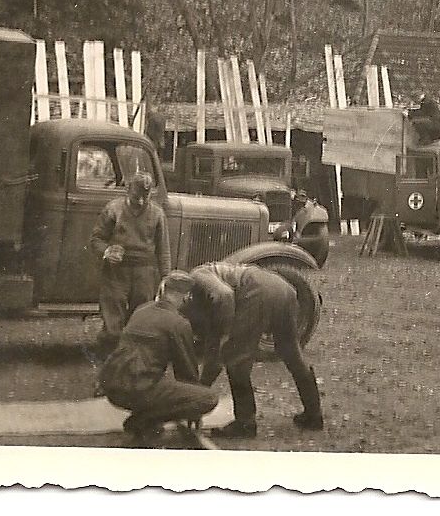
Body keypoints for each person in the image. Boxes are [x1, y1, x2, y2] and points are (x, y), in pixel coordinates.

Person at [185, 261, 323, 439]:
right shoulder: (206, 292)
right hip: (283, 288)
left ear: (185, 297)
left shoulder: (197, 275)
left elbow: (225, 296)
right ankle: (314, 414)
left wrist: (226, 335)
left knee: (236, 360)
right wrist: (202, 390)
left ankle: (245, 424)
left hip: (255, 291)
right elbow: (213, 349)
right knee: (291, 351)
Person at [98, 271, 219, 444]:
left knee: (159, 384)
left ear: (163, 290)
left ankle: (144, 419)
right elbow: (186, 372)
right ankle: (142, 421)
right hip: (138, 389)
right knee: (208, 398)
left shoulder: (141, 310)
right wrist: (193, 409)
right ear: (187, 298)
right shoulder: (178, 323)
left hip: (112, 386)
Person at [90, 172, 172, 348]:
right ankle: (110, 360)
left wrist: (166, 278)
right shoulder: (114, 209)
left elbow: (163, 250)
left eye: (146, 197)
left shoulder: (157, 214)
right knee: (113, 321)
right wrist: (107, 251)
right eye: (136, 197)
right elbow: (96, 239)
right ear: (127, 190)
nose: (141, 202)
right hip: (117, 271)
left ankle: (132, 362)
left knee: (141, 318)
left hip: (145, 271)